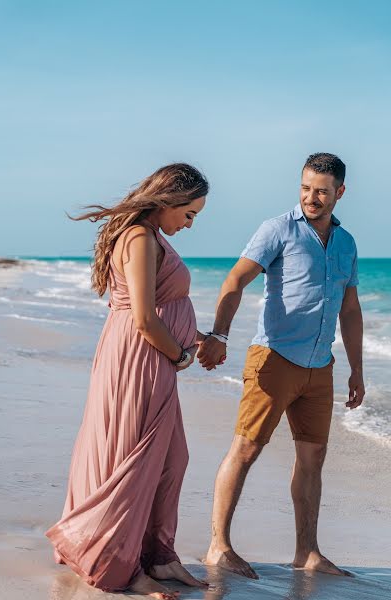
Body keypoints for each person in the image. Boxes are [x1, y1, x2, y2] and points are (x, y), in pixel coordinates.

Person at [198, 153, 365, 579]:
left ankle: (306, 552)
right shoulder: (276, 230)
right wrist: (218, 334)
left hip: (320, 366)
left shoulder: (346, 244)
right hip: (273, 359)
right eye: (306, 188)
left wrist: (357, 370)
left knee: (313, 459)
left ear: (339, 193)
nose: (312, 197)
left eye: (322, 191)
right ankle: (218, 546)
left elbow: (350, 309)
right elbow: (235, 279)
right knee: (247, 448)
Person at [46, 163, 210, 599]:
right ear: (170, 200)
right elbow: (142, 318)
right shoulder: (139, 238)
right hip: (142, 358)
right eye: (189, 213)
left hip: (148, 356)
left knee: (172, 458)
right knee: (132, 461)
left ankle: (160, 556)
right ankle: (120, 566)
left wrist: (195, 337)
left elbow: (154, 306)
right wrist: (181, 355)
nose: (189, 224)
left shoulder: (150, 236)